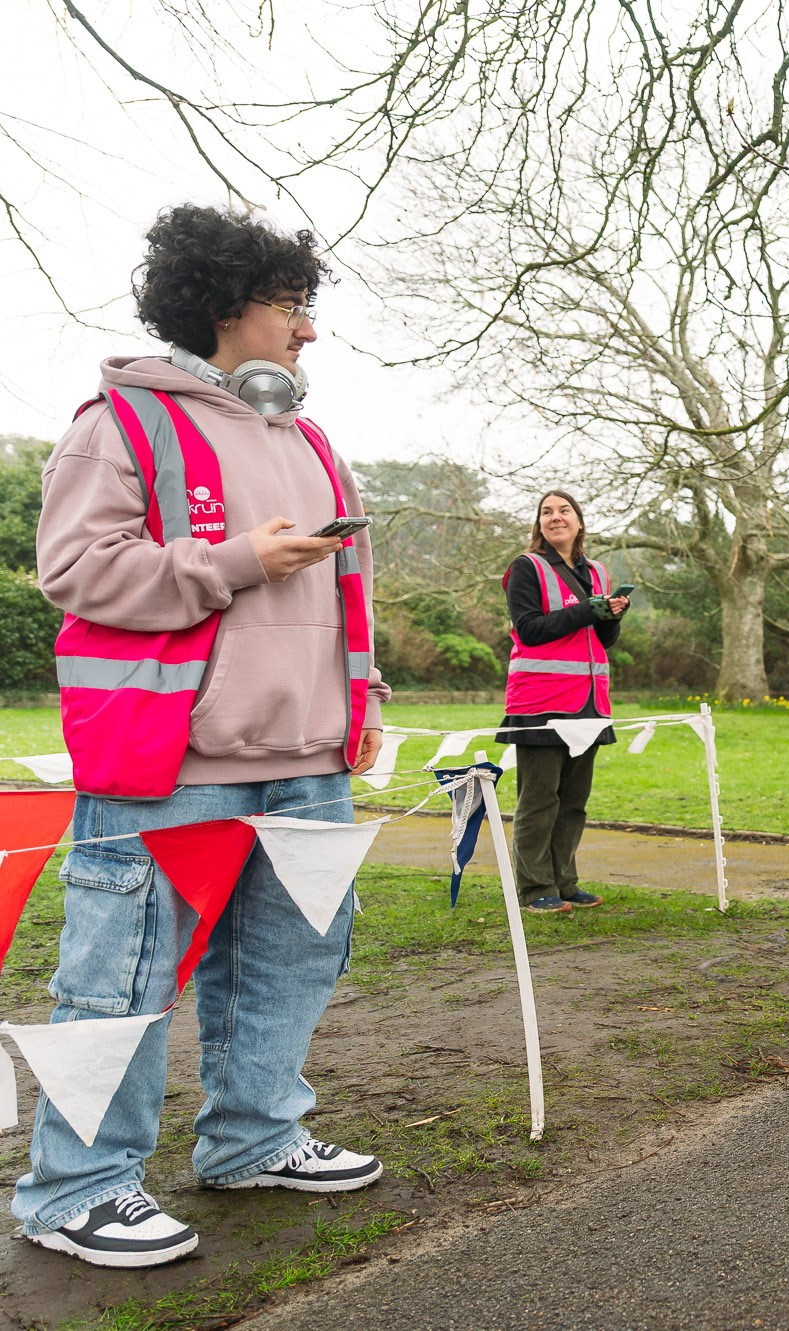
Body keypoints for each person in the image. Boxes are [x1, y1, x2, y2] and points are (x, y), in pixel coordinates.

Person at [20, 205, 389, 1268]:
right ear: (227, 304)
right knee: (118, 975)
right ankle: (76, 1188)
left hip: (309, 761)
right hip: (166, 763)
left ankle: (254, 1136)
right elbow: (78, 572)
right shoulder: (117, 421)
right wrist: (232, 561)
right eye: (293, 305)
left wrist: (357, 708)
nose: (307, 330)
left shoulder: (310, 437)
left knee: (291, 957)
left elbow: (347, 593)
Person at [500, 491, 628, 913]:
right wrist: (590, 610)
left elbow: (602, 638)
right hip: (541, 701)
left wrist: (611, 615)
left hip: (590, 702)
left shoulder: (598, 571)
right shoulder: (526, 567)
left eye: (564, 511)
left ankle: (564, 882)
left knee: (574, 801)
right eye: (546, 512)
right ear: (539, 524)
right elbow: (530, 629)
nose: (556, 517)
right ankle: (535, 889)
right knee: (540, 800)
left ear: (578, 521)